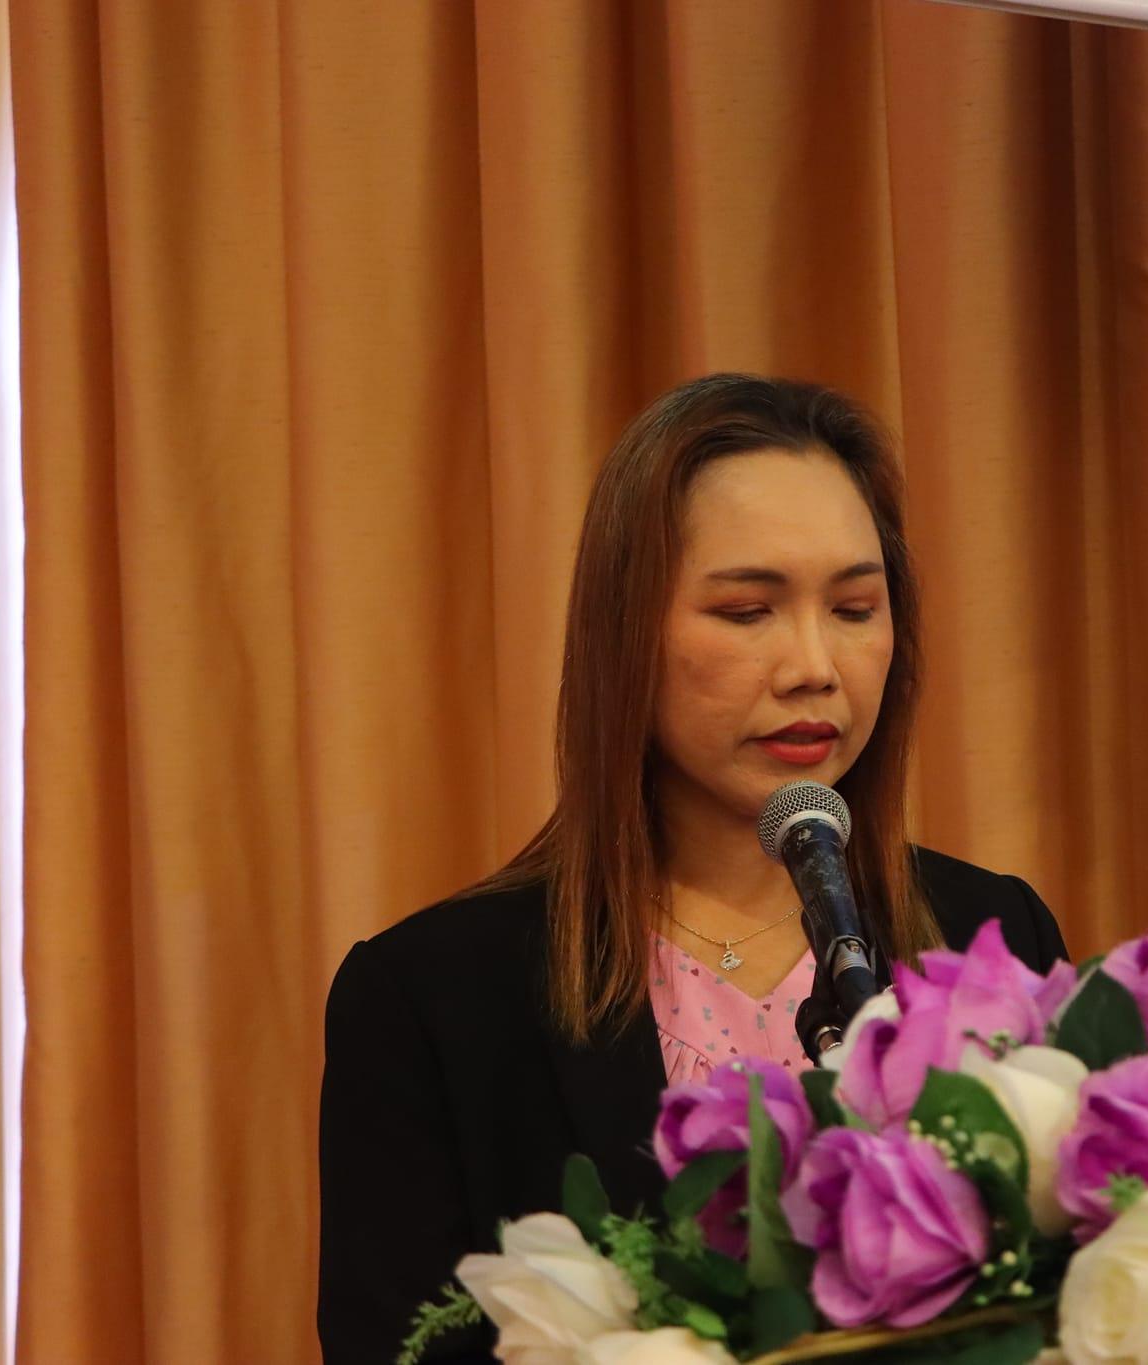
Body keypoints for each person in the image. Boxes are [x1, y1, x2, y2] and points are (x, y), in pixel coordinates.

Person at [317, 374, 1069, 1363]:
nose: (814, 666)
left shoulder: (992, 934)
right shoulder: (434, 996)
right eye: (748, 611)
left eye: (854, 607)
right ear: (627, 635)